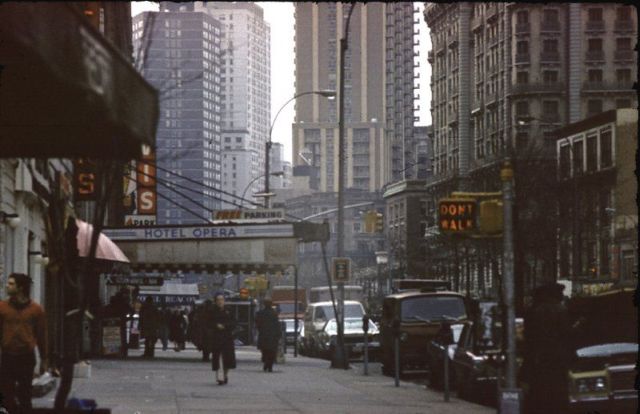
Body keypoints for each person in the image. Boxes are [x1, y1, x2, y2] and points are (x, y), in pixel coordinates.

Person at [0, 273, 48, 414]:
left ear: (20, 288)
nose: (7, 286)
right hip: (8, 356)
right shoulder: (2, 308)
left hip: (26, 357)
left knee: (25, 395)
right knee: (6, 394)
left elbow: (41, 335)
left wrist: (45, 359)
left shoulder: (36, 310)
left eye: (11, 284)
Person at [522, 282, 571, 414]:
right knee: (558, 398)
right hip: (557, 360)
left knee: (539, 397)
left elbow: (529, 340)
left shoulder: (534, 311)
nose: (562, 295)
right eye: (560, 293)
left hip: (539, 362)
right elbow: (566, 335)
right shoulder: (560, 310)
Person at [210, 293, 236, 385]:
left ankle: (225, 375)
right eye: (218, 300)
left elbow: (234, 323)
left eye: (222, 299)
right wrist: (215, 325)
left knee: (228, 358)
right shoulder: (212, 311)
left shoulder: (229, 310)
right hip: (217, 337)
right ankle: (219, 377)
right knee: (218, 358)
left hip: (227, 337)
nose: (220, 301)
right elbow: (208, 323)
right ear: (215, 301)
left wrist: (225, 326)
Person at [255, 298, 281, 372]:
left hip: (263, 335)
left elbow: (257, 324)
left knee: (265, 350)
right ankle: (269, 365)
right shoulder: (274, 314)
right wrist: (278, 334)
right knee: (272, 351)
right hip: (273, 336)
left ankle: (266, 362)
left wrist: (260, 330)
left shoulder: (260, 313)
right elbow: (277, 325)